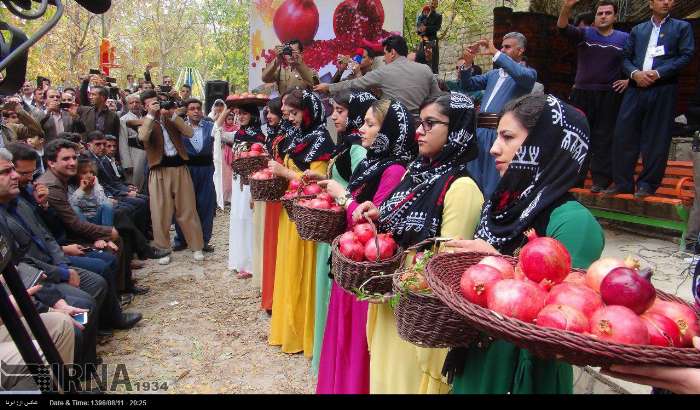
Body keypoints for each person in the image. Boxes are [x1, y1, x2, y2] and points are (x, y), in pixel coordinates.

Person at [441, 94, 604, 394]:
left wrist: (500, 265)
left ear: (545, 144)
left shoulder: (573, 222)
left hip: (523, 373)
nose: (493, 148)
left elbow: (568, 313)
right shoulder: (502, 207)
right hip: (477, 357)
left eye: (507, 137)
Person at [350, 93, 483, 393]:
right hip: (391, 301)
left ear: (457, 130)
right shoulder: (417, 172)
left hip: (418, 314)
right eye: (419, 123)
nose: (418, 132)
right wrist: (380, 214)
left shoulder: (462, 188)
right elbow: (399, 224)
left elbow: (445, 267)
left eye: (430, 124)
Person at [316, 95, 419, 393]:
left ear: (389, 131)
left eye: (370, 124)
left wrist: (342, 196)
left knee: (356, 349)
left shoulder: (396, 170)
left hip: (367, 274)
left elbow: (377, 229)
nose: (361, 128)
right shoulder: (373, 164)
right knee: (342, 342)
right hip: (349, 267)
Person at [304, 90, 375, 377]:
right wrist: (325, 180)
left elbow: (359, 193)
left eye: (342, 111)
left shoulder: (359, 152)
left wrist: (339, 193)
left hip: (346, 232)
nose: (334, 116)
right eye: (334, 110)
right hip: (335, 229)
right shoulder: (347, 146)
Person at [267, 90, 335, 356]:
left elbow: (317, 184)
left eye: (294, 113)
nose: (291, 119)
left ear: (309, 111)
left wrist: (284, 172)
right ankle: (288, 330)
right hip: (291, 213)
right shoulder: (296, 137)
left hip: (309, 216)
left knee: (301, 274)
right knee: (288, 269)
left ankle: (304, 336)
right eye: (287, 114)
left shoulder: (320, 140)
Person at [606, 0, 694, 197]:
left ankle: (647, 184)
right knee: (623, 134)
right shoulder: (639, 29)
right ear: (650, 3)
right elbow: (625, 57)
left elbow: (686, 55)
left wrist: (659, 73)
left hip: (663, 88)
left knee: (656, 139)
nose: (667, 2)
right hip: (636, 88)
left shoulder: (681, 27)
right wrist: (635, 74)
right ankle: (622, 183)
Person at [558, 0, 629, 193]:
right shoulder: (585, 33)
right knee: (579, 136)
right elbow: (562, 27)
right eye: (600, 13)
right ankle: (574, 179)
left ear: (615, 16)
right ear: (595, 17)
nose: (604, 16)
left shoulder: (625, 39)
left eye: (608, 13)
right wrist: (567, 7)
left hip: (609, 94)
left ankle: (601, 180)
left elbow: (637, 62)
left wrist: (629, 80)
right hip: (582, 93)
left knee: (603, 137)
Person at [458, 32, 537, 199]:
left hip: (500, 134)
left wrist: (495, 53)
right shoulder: (493, 74)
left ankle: (490, 218)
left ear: (520, 50)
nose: (502, 49)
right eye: (502, 46)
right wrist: (468, 63)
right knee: (471, 179)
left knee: (493, 183)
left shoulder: (528, 74)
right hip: (479, 132)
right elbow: (466, 85)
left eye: (507, 47)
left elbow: (521, 75)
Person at [137, 90, 204, 264]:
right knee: (160, 212)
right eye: (151, 103)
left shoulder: (171, 118)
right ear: (145, 106)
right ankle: (163, 250)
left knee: (188, 208)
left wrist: (173, 115)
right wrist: (151, 115)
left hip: (180, 168)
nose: (157, 105)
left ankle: (196, 246)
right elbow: (143, 137)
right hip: (158, 172)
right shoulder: (145, 122)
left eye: (157, 102)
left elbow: (189, 132)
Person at [316, 35, 443, 119]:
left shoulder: (383, 72)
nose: (383, 59)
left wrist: (328, 87)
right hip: (422, 126)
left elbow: (354, 84)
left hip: (394, 126)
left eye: (385, 54)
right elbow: (438, 98)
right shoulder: (426, 69)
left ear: (392, 53)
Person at [227, 101, 265, 279]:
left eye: (244, 113)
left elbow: (258, 163)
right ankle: (239, 261)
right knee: (238, 218)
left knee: (248, 219)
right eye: (238, 113)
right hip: (237, 183)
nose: (240, 116)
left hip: (249, 183)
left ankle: (251, 264)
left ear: (253, 115)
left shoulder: (258, 137)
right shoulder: (238, 134)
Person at [173, 98, 216, 253]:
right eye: (192, 108)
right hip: (187, 169)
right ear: (187, 111)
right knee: (184, 205)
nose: (196, 111)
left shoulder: (210, 126)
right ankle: (181, 239)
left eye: (198, 108)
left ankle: (204, 240)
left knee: (206, 205)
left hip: (206, 169)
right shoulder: (179, 127)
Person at [68, 157, 113, 226]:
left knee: (107, 204)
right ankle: (88, 235)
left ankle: (107, 232)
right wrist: (81, 189)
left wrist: (96, 185)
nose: (89, 175)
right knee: (74, 209)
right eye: (84, 173)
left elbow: (102, 203)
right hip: (82, 220)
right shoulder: (72, 187)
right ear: (76, 175)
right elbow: (71, 205)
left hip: (97, 217)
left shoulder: (97, 187)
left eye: (91, 172)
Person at [119, 93, 147, 190]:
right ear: (127, 105)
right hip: (134, 154)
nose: (135, 104)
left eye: (137, 102)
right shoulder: (123, 120)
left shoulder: (147, 118)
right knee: (135, 184)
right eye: (131, 103)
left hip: (148, 154)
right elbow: (122, 142)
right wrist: (127, 163)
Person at [416, 0, 443, 74]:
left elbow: (437, 28)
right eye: (432, 3)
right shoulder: (421, 15)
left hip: (432, 40)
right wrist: (420, 28)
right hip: (422, 40)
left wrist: (426, 28)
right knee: (421, 59)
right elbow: (418, 27)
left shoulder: (438, 16)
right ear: (429, 3)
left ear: (437, 5)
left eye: (435, 3)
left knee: (433, 61)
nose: (433, 5)